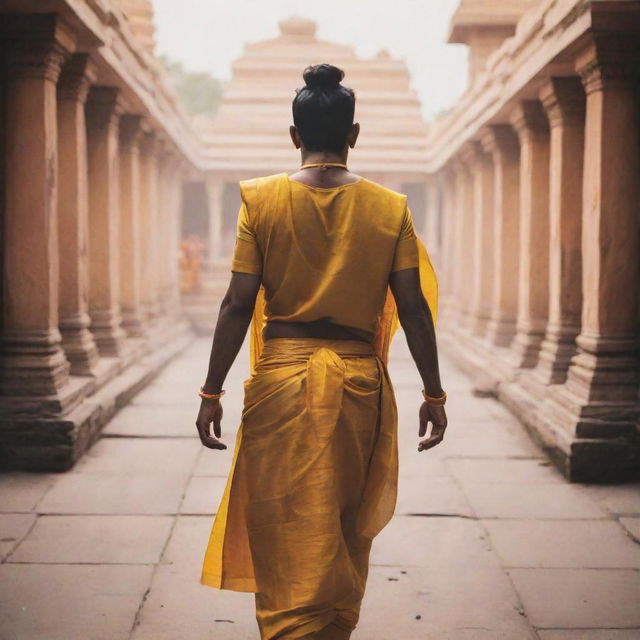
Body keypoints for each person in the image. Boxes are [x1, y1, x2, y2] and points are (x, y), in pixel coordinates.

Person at [196, 63, 448, 640]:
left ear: (294, 136)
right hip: (359, 382)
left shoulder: (259, 201)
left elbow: (237, 306)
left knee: (283, 521)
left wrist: (211, 392)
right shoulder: (390, 208)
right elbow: (413, 309)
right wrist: (433, 393)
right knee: (341, 520)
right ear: (353, 135)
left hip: (281, 379)